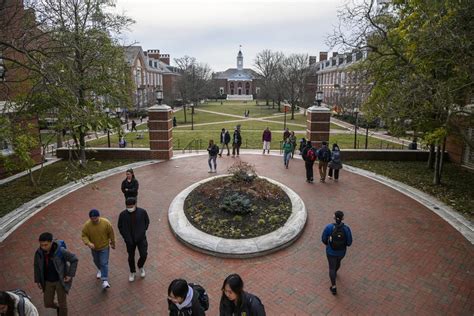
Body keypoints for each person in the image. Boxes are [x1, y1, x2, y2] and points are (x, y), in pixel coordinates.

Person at [33, 232, 78, 316]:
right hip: (47, 282)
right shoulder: (39, 253)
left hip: (60, 281)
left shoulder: (60, 251)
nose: (43, 247)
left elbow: (74, 259)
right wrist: (38, 280)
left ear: (51, 242)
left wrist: (70, 275)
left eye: (45, 245)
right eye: (41, 245)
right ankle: (58, 307)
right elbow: (36, 266)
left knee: (63, 305)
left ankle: (61, 310)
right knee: (48, 303)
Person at [81, 209, 116, 289]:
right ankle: (100, 269)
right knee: (96, 261)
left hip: (104, 247)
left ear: (98, 216)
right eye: (92, 218)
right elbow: (84, 235)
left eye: (95, 217)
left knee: (104, 262)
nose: (94, 220)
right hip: (94, 248)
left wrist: (113, 243)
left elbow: (111, 233)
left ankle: (105, 280)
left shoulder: (106, 223)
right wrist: (88, 243)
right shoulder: (87, 225)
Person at [118, 197, 150, 282]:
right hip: (129, 240)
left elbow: (147, 222)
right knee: (131, 257)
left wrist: (142, 232)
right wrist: (125, 237)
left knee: (144, 254)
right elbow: (120, 226)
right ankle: (132, 271)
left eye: (131, 206)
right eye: (127, 206)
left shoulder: (142, 212)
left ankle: (140, 266)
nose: (129, 208)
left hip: (141, 239)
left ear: (135, 204)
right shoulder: (122, 215)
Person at [321, 211, 353, 295]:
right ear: (342, 218)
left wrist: (328, 244)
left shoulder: (329, 227)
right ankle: (335, 272)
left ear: (334, 218)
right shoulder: (346, 229)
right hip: (341, 252)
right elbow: (349, 243)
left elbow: (323, 239)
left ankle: (334, 287)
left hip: (331, 252)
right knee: (338, 263)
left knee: (331, 268)